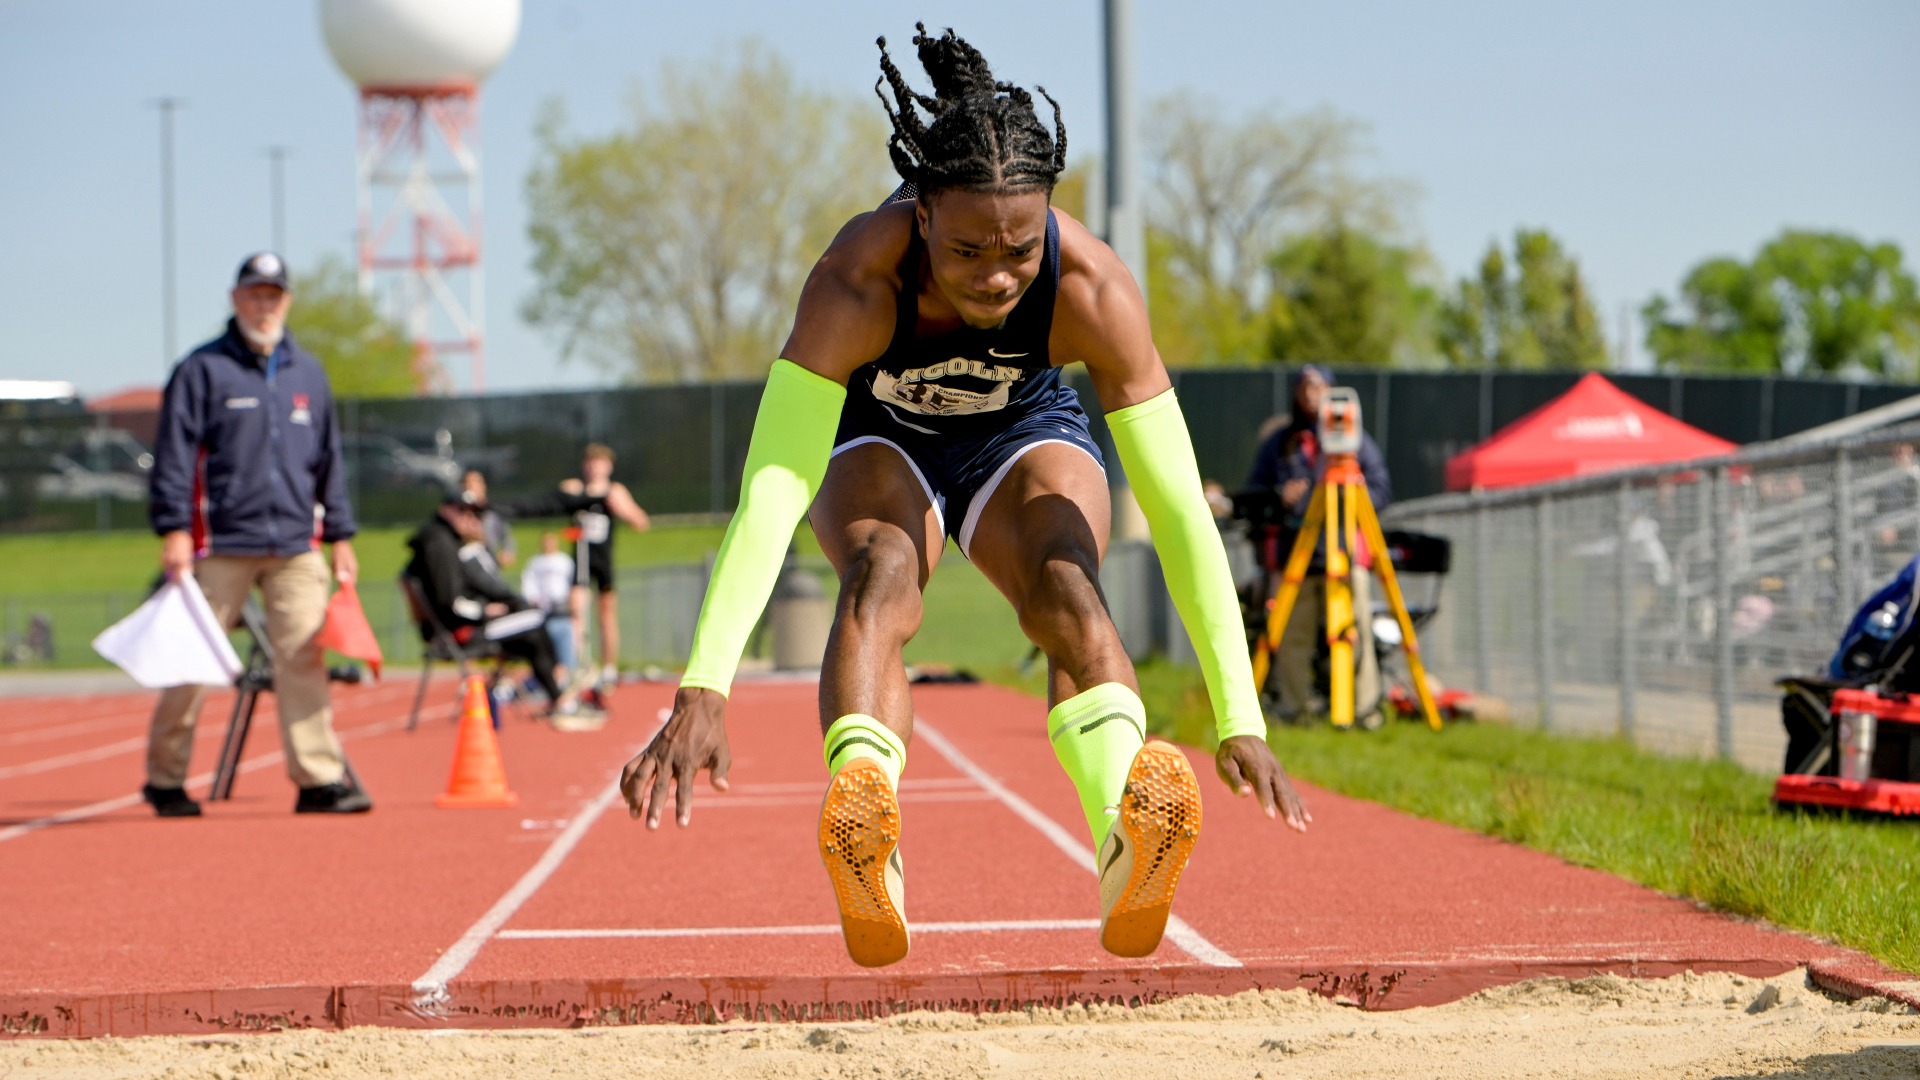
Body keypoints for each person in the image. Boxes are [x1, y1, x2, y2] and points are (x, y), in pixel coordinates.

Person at [620, 26, 1309, 969]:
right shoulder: (856, 280)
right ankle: (868, 829)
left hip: (1021, 430)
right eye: (968, 248)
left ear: (1050, 225)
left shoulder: (1095, 288)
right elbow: (773, 491)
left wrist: (1242, 716)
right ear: (921, 215)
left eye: (1020, 250)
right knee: (881, 570)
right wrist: (705, 686)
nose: (994, 274)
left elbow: (1182, 507)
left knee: (1067, 582)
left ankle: (1123, 835)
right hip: (881, 434)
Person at [144, 252, 367, 817]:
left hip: (296, 544)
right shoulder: (201, 370)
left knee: (304, 660)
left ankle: (318, 779)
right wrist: (173, 529)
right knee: (192, 660)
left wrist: (340, 535)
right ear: (235, 298)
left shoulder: (308, 374)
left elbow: (329, 462)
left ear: (286, 302)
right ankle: (166, 778)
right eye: (254, 295)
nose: (263, 305)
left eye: (273, 296)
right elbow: (173, 457)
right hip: (219, 544)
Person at [1245, 364, 1393, 722]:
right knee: (1292, 636)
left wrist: (1343, 494)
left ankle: (1363, 709)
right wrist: (1281, 496)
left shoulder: (1355, 442)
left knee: (1354, 632)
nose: (1312, 394)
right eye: (1305, 387)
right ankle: (1293, 708)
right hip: (1297, 555)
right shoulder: (1280, 444)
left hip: (1342, 553)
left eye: (1319, 386)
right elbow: (1254, 493)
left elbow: (1381, 490)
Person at [405, 494, 588, 725]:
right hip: (460, 633)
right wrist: (485, 611)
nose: (471, 519)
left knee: (531, 634)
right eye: (464, 511)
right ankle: (560, 694)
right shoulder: (441, 544)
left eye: (475, 514)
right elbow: (451, 603)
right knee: (535, 620)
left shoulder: (444, 541)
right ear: (446, 509)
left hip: (467, 625)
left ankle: (558, 695)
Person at [558, 444, 650, 687]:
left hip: (602, 560)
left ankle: (609, 667)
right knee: (575, 612)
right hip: (580, 560)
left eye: (599, 462)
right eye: (590, 462)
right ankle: (577, 665)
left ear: (608, 466)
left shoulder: (615, 491)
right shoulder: (575, 488)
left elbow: (641, 522)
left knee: (606, 615)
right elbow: (559, 495)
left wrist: (620, 509)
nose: (594, 467)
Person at [521, 531, 578, 688]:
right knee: (544, 648)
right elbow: (528, 584)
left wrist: (572, 603)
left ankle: (564, 677)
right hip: (542, 614)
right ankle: (546, 680)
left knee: (565, 644)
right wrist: (534, 600)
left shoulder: (564, 561)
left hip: (562, 612)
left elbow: (572, 584)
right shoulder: (535, 563)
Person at [461, 469, 517, 568]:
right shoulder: (457, 512)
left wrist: (507, 553)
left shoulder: (492, 513)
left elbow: (507, 537)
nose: (469, 486)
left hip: (489, 565)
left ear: (483, 486)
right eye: (466, 482)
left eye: (474, 482)